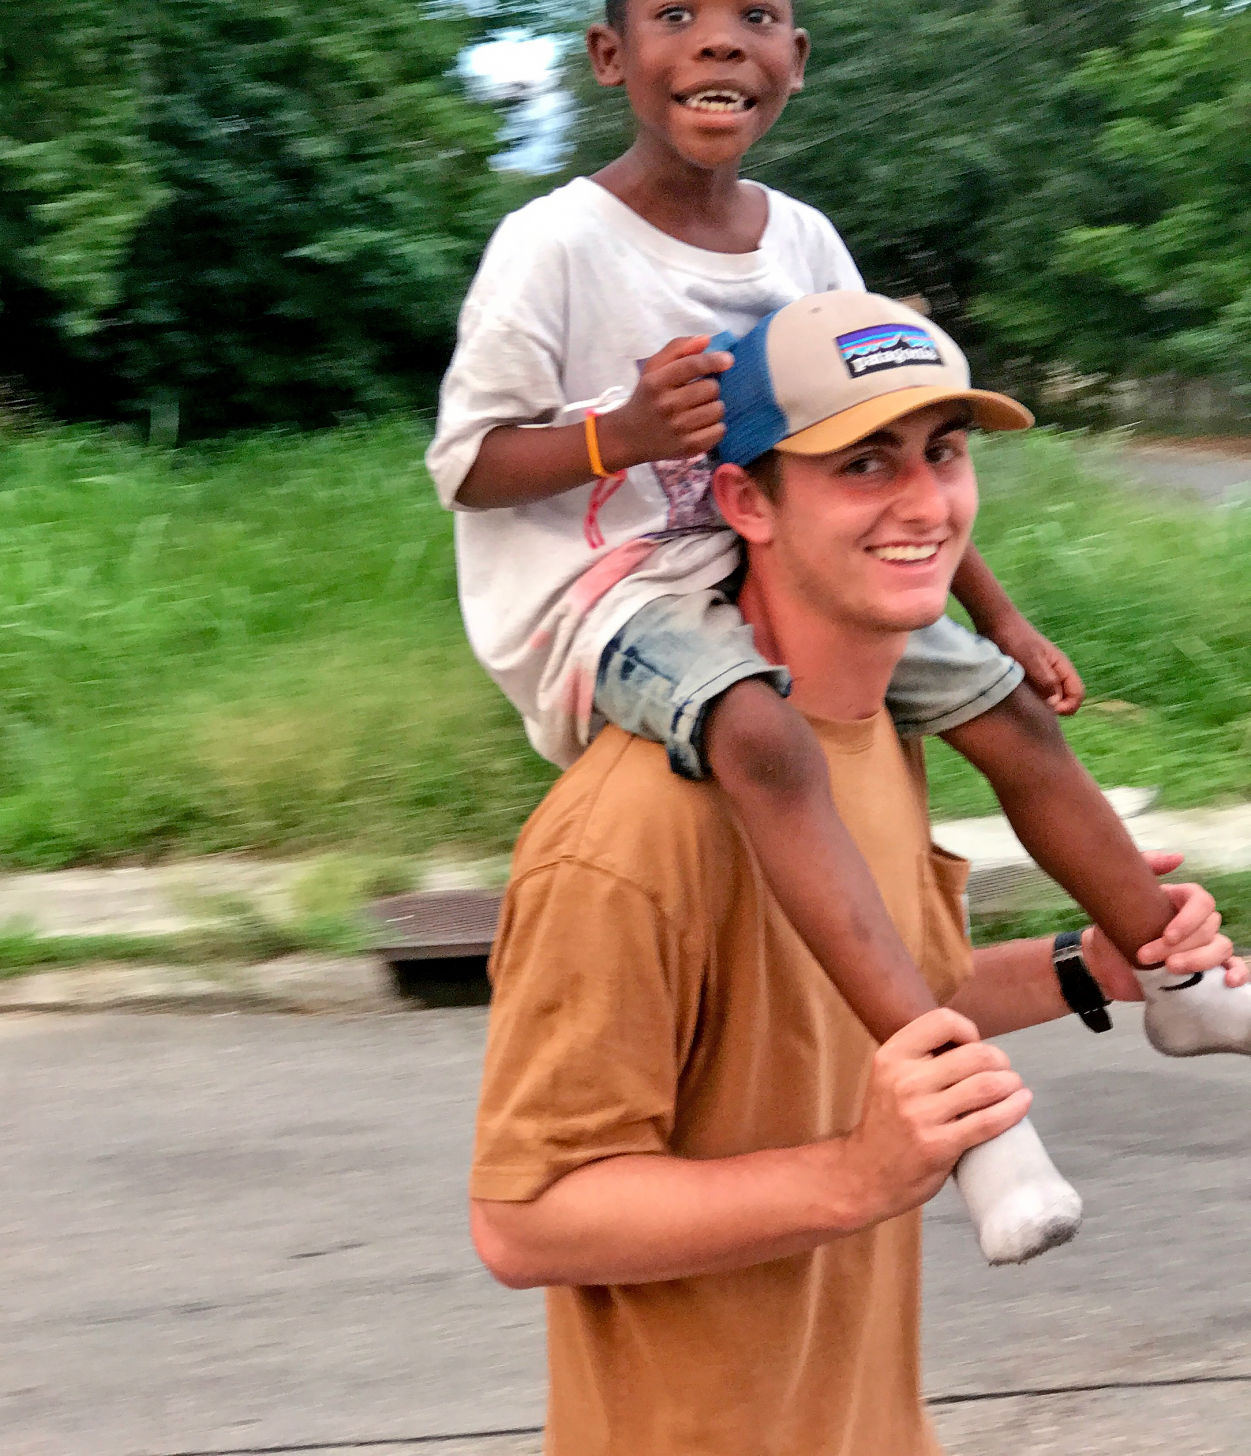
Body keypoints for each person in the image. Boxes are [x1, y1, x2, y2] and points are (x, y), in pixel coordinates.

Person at [427, 0, 1251, 1257]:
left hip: (782, 556)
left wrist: (995, 613)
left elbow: (892, 442)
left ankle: (1175, 974)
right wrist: (618, 434)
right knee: (761, 734)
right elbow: (467, 463)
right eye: (674, 15)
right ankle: (975, 1125)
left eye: (754, 17)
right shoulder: (553, 246)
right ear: (608, 56)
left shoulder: (801, 242)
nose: (717, 44)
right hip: (608, 597)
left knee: (1011, 715)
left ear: (793, 64)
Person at [468, 304, 1241, 1456]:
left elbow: (874, 1010)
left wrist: (1093, 970)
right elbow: (524, 1220)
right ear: (745, 503)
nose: (924, 503)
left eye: (943, 451)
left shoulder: (875, 737)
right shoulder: (627, 838)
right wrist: (855, 1178)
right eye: (862, 464)